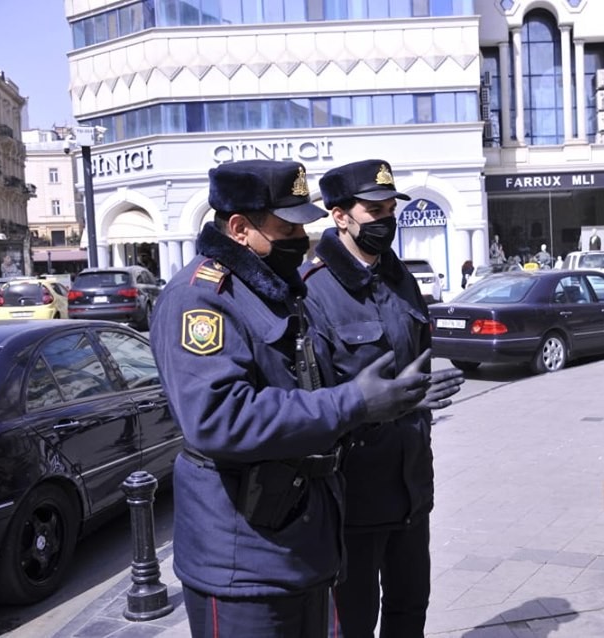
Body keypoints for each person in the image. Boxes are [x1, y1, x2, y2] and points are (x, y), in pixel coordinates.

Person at [149, 159, 433, 637]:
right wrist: (355, 403)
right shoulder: (201, 299)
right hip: (242, 557)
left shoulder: (271, 289)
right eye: (286, 228)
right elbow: (218, 418)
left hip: (298, 540)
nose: (301, 239)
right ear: (239, 228)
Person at [300, 159, 465, 638]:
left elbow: (420, 367)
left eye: (391, 208)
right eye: (374, 210)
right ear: (340, 216)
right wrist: (389, 404)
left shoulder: (401, 279)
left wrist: (419, 403)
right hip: (355, 496)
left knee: (410, 610)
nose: (386, 219)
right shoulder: (314, 292)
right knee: (353, 622)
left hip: (411, 486)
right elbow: (314, 403)